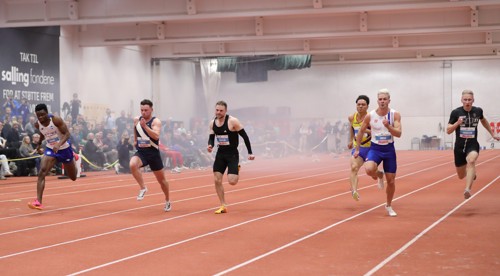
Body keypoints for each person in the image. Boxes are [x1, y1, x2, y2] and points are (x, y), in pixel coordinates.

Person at [354, 89, 401, 217]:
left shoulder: (394, 114)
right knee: (369, 169)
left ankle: (389, 205)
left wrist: (389, 126)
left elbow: (399, 133)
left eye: (384, 99)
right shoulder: (371, 115)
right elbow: (361, 131)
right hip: (375, 149)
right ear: (377, 101)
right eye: (380, 99)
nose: (382, 101)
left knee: (391, 181)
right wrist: (357, 149)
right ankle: (379, 175)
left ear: (389, 100)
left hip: (389, 149)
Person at [447, 89, 500, 199]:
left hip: (472, 143)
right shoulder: (456, 112)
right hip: (459, 146)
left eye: (469, 100)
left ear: (473, 100)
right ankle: (472, 174)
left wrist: (492, 134)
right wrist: (457, 123)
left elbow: (484, 120)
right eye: (465, 99)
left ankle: (467, 190)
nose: (467, 102)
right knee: (461, 175)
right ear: (461, 100)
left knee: (471, 160)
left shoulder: (478, 111)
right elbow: (448, 130)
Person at [207, 100, 255, 214]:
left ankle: (236, 168)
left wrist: (250, 152)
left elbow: (245, 136)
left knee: (232, 181)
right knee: (217, 179)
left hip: (232, 154)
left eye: (221, 110)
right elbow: (211, 137)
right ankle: (223, 205)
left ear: (226, 111)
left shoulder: (233, 121)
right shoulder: (212, 123)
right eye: (217, 110)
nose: (218, 112)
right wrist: (210, 145)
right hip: (220, 154)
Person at [28, 103, 78, 210]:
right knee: (42, 171)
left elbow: (67, 134)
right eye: (38, 116)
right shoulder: (37, 124)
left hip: (64, 149)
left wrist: (59, 144)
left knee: (73, 177)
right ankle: (38, 201)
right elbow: (43, 132)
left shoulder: (56, 120)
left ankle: (73, 156)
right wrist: (39, 145)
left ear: (47, 112)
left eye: (42, 115)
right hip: (51, 149)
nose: (40, 118)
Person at [129, 99, 171, 212]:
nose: (143, 112)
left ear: (151, 109)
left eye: (146, 110)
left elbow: (156, 136)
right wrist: (134, 140)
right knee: (132, 164)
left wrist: (145, 127)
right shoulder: (136, 120)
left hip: (153, 153)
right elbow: (135, 129)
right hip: (141, 152)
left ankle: (167, 200)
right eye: (142, 110)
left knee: (162, 181)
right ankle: (143, 188)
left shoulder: (156, 121)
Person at [347, 95, 375, 201]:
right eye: (358, 104)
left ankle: (377, 174)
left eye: (363, 105)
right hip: (358, 148)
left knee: (371, 171)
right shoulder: (351, 117)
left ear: (367, 106)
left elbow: (376, 132)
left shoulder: (371, 118)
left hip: (371, 148)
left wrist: (363, 130)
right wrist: (350, 140)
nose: (360, 106)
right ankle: (354, 190)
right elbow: (351, 127)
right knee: (354, 167)